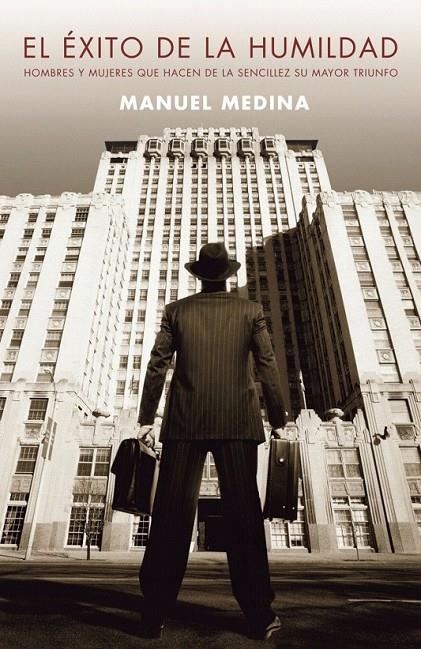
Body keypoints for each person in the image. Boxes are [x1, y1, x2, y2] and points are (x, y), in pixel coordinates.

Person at [137, 242, 287, 640]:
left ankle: (153, 612)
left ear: (200, 276)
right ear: (227, 276)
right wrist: (277, 419)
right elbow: (267, 364)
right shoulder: (250, 311)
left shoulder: (177, 311)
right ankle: (259, 614)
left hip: (184, 422)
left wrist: (146, 418)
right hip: (237, 421)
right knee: (244, 515)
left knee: (170, 514)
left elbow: (157, 365)